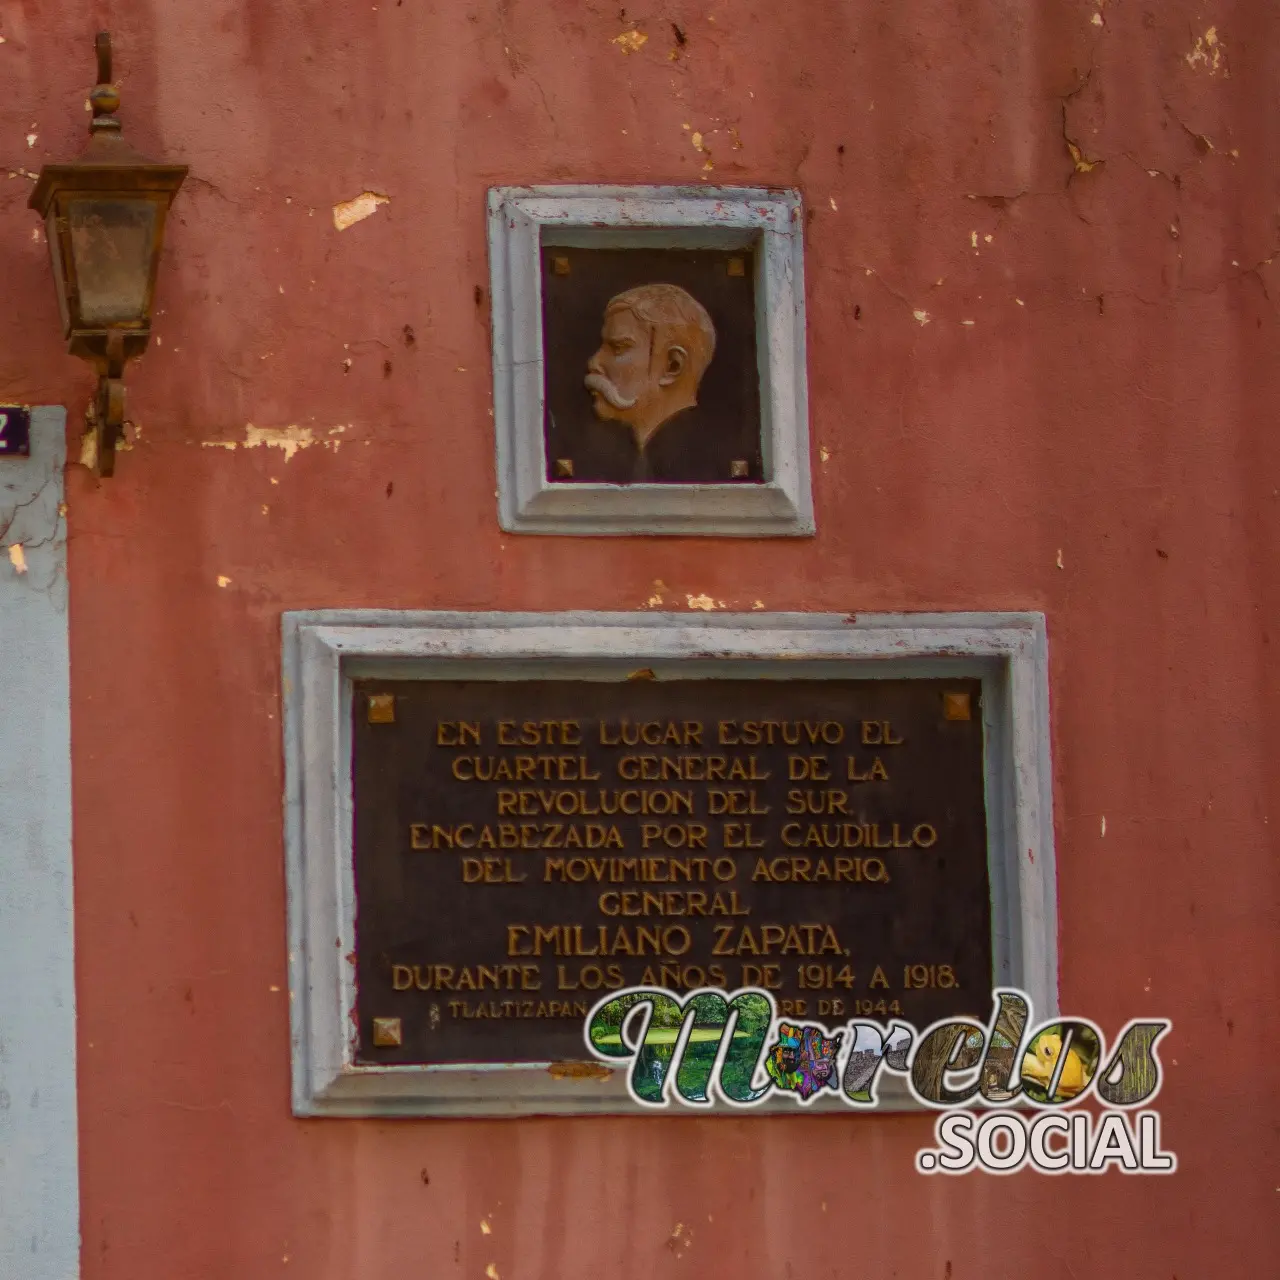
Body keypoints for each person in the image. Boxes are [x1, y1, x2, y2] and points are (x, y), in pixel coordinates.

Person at [578, 282, 723, 484]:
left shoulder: (704, 461)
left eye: (618, 347)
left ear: (672, 366)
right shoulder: (639, 455)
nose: (594, 362)